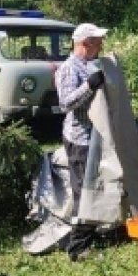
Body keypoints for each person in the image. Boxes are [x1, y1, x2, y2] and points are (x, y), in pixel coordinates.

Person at [55, 22, 108, 257]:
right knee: (82, 191)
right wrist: (89, 85)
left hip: (94, 137)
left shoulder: (89, 64)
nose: (101, 45)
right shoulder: (69, 68)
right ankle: (77, 247)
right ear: (85, 44)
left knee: (93, 187)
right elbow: (65, 103)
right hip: (80, 139)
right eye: (97, 42)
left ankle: (89, 233)